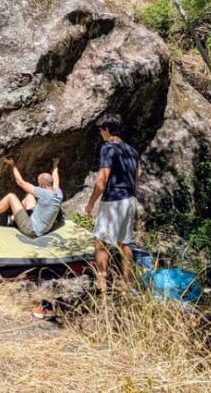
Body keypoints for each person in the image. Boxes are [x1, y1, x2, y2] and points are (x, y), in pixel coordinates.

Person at [85, 113, 141, 292]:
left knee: (101, 241)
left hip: (113, 200)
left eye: (101, 130)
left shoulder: (108, 148)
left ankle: (101, 283)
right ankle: (127, 284)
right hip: (129, 199)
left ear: (107, 129)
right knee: (125, 243)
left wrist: (91, 202)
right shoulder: (131, 150)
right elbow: (137, 177)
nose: (101, 134)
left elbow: (102, 179)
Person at [0, 157, 63, 238]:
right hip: (43, 228)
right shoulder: (58, 193)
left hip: (31, 229)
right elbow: (56, 178)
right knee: (29, 196)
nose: (38, 186)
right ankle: (12, 220)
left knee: (11, 197)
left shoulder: (44, 194)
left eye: (39, 184)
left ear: (43, 185)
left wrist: (13, 165)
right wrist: (55, 165)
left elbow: (20, 182)